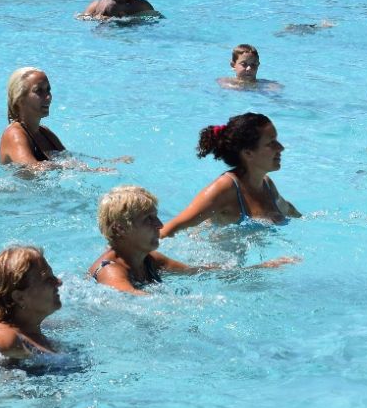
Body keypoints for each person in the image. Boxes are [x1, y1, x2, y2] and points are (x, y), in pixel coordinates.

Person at [90, 185, 296, 295]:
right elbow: (134, 299)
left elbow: (197, 272)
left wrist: (260, 268)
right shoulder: (110, 271)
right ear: (120, 228)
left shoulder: (150, 259)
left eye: (156, 216)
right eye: (148, 219)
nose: (160, 225)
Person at [160, 113, 303, 237]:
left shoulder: (266, 185)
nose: (281, 148)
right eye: (271, 143)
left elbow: (288, 209)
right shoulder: (224, 189)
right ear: (248, 153)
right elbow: (172, 228)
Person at [0, 246, 62, 364]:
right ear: (20, 298)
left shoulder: (30, 327)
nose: (59, 282)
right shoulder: (9, 337)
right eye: (47, 279)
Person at [0, 68, 67, 167]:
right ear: (20, 99)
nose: (48, 97)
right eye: (39, 91)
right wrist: (64, 166)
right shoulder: (13, 134)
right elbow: (32, 168)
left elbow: (70, 159)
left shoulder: (45, 133)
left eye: (48, 90)